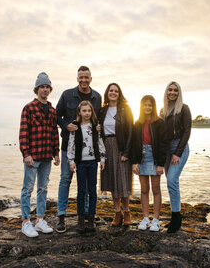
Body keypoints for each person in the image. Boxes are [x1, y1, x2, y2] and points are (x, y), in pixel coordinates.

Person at [56, 66, 102, 233]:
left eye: (86, 77)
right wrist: (64, 125)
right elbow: (56, 114)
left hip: (89, 151)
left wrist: (99, 128)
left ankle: (88, 216)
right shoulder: (67, 94)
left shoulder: (97, 97)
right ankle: (61, 215)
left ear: (91, 79)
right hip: (69, 145)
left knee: (88, 185)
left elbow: (98, 119)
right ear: (77, 79)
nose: (83, 80)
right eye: (81, 77)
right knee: (65, 179)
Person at [19, 72, 60, 238]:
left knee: (43, 189)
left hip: (46, 156)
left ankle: (40, 221)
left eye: (47, 87)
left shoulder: (52, 110)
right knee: (27, 189)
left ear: (50, 89)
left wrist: (56, 153)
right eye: (42, 87)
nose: (45, 89)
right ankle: (25, 222)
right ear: (36, 89)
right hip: (32, 156)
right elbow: (23, 133)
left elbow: (54, 133)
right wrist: (26, 153)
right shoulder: (28, 108)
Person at [67, 101, 106, 234]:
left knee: (92, 190)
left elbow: (99, 142)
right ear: (79, 112)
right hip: (81, 163)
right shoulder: (76, 126)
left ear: (92, 112)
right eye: (84, 111)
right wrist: (71, 160)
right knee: (81, 190)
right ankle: (81, 218)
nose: (87, 113)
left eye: (89, 111)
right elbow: (71, 144)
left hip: (92, 162)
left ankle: (91, 218)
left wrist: (102, 158)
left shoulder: (95, 126)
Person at [130, 95, 168, 232]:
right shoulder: (137, 123)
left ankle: (156, 220)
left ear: (153, 107)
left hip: (155, 157)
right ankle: (145, 218)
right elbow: (134, 144)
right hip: (141, 157)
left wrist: (160, 164)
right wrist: (134, 162)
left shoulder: (159, 123)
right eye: (145, 105)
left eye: (150, 105)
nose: (147, 107)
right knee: (144, 189)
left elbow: (163, 144)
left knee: (156, 189)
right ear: (141, 107)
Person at [98, 83, 134, 226]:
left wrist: (127, 152)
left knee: (123, 182)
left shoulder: (125, 109)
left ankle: (127, 212)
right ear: (107, 93)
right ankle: (117, 212)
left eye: (116, 91)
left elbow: (131, 131)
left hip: (121, 146)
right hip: (107, 147)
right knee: (112, 181)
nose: (113, 93)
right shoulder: (102, 110)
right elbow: (97, 129)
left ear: (119, 94)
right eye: (111, 91)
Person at [161, 81, 191, 233]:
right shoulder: (163, 111)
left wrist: (177, 153)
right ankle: (174, 216)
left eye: (175, 90)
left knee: (172, 180)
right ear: (166, 92)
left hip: (180, 148)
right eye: (170, 90)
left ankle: (176, 217)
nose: (172, 92)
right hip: (167, 151)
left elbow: (187, 132)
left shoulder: (184, 109)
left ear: (179, 93)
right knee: (171, 182)